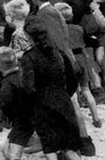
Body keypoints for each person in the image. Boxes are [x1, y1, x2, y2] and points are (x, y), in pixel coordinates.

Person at [21, 16, 82, 160]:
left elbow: (28, 87)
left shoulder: (28, 57)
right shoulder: (59, 54)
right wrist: (64, 94)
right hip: (63, 101)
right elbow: (73, 80)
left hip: (42, 104)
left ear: (29, 37)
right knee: (69, 147)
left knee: (50, 146)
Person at [55, 2, 102, 128]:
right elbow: (86, 42)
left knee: (73, 93)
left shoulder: (58, 31)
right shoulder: (78, 28)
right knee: (86, 89)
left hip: (68, 60)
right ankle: (96, 117)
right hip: (81, 59)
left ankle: (78, 120)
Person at [0, 47, 33, 160]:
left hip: (23, 121)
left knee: (13, 155)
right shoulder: (22, 75)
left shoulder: (7, 82)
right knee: (6, 150)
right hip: (26, 118)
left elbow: (2, 100)